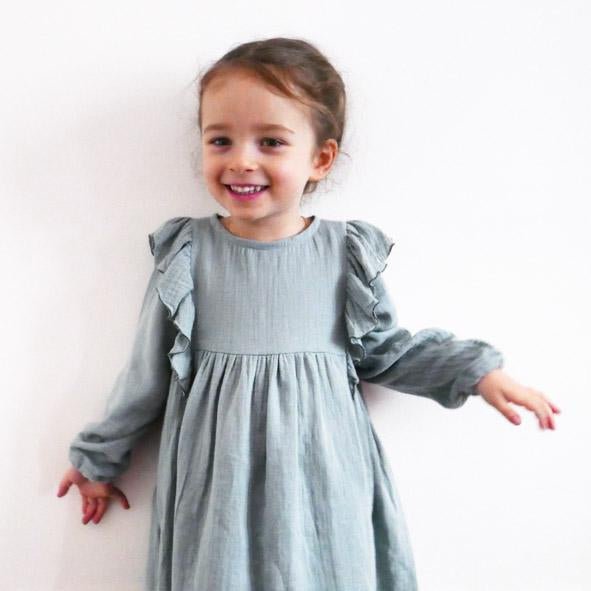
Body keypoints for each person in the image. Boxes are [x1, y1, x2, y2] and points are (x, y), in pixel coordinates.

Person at [56, 37, 561, 591]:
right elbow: (147, 374)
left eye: (271, 142)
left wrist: (476, 371)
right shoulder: (187, 253)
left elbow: (385, 351)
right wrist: (99, 458)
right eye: (220, 140)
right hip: (219, 476)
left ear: (320, 158)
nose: (241, 160)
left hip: (323, 473)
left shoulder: (344, 253)